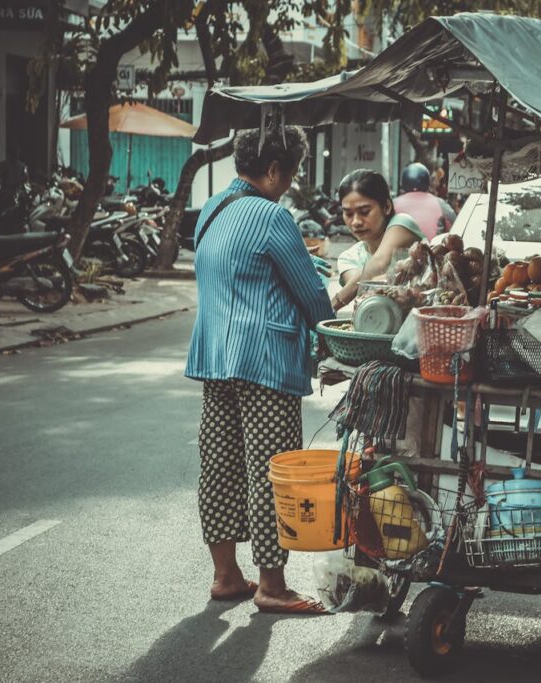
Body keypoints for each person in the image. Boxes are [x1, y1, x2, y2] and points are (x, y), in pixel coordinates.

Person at [184, 126, 334, 615]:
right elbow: (311, 293)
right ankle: (272, 585)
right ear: (273, 170)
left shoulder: (212, 210)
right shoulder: (272, 217)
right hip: (265, 361)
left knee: (220, 467)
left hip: (215, 359)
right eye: (289, 175)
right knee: (271, 472)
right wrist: (334, 334)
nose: (287, 186)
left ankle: (226, 576)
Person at [333, 168, 425, 310]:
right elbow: (363, 291)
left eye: (364, 212)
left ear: (386, 207)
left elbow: (379, 262)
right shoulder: (349, 258)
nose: (356, 222)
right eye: (349, 214)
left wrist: (333, 304)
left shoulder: (402, 223)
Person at [390, 162, 456, 241]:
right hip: (433, 248)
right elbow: (456, 227)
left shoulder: (393, 204)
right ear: (427, 182)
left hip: (398, 247)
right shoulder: (440, 203)